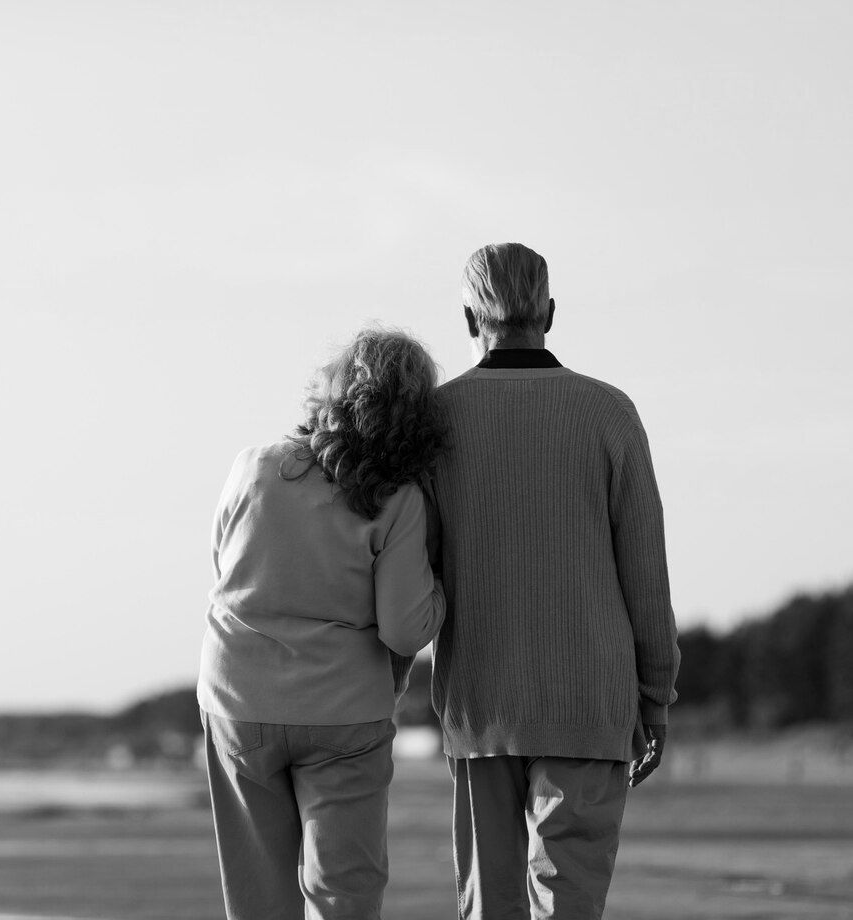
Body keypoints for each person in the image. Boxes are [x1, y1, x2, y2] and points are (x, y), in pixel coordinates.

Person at [431, 243, 681, 919]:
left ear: (467, 318)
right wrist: (654, 698)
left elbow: (411, 571)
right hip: (589, 701)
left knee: (491, 908)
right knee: (570, 907)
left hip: (482, 704)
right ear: (548, 311)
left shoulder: (435, 421)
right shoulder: (609, 413)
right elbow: (645, 574)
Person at [197, 326, 448, 920]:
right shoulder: (398, 498)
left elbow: (223, 565)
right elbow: (404, 630)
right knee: (344, 896)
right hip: (343, 710)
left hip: (240, 700)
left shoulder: (254, 467)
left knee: (257, 898)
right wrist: (442, 590)